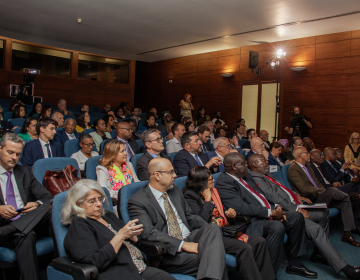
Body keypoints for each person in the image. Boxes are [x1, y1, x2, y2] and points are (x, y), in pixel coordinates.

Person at [248, 153, 360, 279]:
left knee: (324, 213)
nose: (267, 162)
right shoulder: (256, 178)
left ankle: (318, 254)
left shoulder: (267, 175)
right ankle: (345, 268)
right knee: (316, 229)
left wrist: (296, 194)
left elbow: (283, 189)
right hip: (286, 212)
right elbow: (273, 197)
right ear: (255, 163)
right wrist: (296, 208)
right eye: (263, 160)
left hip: (295, 204)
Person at [128, 158, 228, 280]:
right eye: (170, 172)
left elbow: (190, 216)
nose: (175, 175)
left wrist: (208, 229)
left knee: (212, 228)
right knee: (215, 257)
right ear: (157, 175)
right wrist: (183, 244)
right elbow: (148, 233)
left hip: (189, 236)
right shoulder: (138, 201)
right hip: (168, 252)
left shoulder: (175, 191)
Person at [216, 153, 312, 276]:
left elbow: (261, 195)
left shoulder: (245, 175)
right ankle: (269, 272)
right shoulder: (225, 183)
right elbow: (240, 208)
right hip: (251, 221)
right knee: (276, 227)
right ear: (234, 166)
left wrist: (276, 208)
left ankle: (295, 262)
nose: (247, 166)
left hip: (265, 212)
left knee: (296, 217)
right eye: (244, 164)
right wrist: (270, 213)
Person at [62, 179, 174, 280]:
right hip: (117, 272)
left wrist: (133, 236)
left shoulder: (108, 215)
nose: (99, 204)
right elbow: (95, 261)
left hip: (138, 267)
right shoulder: (79, 226)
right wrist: (120, 236)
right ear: (79, 204)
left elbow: (133, 240)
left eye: (100, 199)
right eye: (92, 201)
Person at [183, 166, 276, 280]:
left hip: (225, 229)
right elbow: (200, 221)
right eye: (211, 180)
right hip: (211, 235)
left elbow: (223, 214)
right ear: (202, 182)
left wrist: (230, 215)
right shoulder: (190, 196)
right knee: (244, 248)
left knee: (260, 241)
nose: (214, 181)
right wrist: (207, 200)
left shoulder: (214, 191)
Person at [0, 133, 53, 280]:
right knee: (27, 235)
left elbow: (47, 197)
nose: (14, 158)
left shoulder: (23, 171)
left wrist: (37, 203)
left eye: (17, 154)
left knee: (52, 205)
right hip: (4, 223)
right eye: (9, 152)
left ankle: (12, 229)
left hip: (23, 220)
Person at [287, 146, 360, 246]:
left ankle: (347, 235)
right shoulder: (293, 169)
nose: (309, 154)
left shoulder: (308, 166)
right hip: (312, 199)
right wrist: (324, 191)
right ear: (300, 155)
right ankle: (347, 195)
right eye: (307, 153)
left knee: (344, 202)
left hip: (321, 195)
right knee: (334, 192)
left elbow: (317, 182)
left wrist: (324, 190)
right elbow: (303, 189)